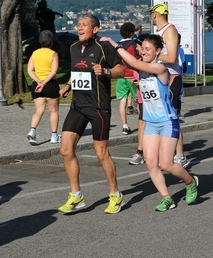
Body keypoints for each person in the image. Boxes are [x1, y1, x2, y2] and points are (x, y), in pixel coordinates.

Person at [100, 34, 199, 211]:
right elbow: (129, 65)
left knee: (167, 164)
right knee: (151, 163)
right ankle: (166, 197)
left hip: (167, 121)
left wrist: (115, 44)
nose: (143, 51)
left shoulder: (160, 68)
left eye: (148, 49)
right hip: (151, 123)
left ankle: (190, 182)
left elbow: (135, 64)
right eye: (142, 48)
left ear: (158, 51)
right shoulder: (143, 70)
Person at [57, 14, 125, 214]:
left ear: (95, 29)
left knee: (101, 153)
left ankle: (115, 195)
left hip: (98, 106)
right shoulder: (73, 48)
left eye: (84, 25)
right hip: (78, 105)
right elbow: (76, 70)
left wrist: (105, 72)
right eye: (78, 25)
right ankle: (76, 196)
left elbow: (121, 70)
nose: (80, 28)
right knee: (66, 150)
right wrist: (68, 85)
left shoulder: (104, 47)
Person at [149, 2, 190, 168]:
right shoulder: (157, 32)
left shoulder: (170, 30)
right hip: (160, 78)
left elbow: (172, 57)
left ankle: (180, 156)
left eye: (151, 14)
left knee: (172, 119)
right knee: (160, 118)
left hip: (172, 78)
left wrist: (153, 58)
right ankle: (165, 154)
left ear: (154, 14)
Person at [26, 30, 61, 146]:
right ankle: (54, 136)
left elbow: (30, 70)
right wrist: (45, 82)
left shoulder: (34, 53)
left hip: (37, 85)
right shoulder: (53, 54)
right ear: (51, 42)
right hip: (50, 84)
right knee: (54, 111)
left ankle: (32, 130)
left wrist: (38, 81)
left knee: (39, 111)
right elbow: (53, 71)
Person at [129, 34, 149, 165]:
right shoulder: (139, 60)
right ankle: (141, 152)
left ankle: (143, 152)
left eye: (138, 47)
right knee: (141, 124)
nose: (136, 49)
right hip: (141, 98)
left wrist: (140, 82)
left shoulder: (150, 62)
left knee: (150, 125)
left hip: (151, 100)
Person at [115, 22, 139, 135]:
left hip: (121, 75)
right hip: (132, 74)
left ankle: (124, 126)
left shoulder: (117, 45)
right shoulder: (134, 45)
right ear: (131, 33)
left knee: (122, 101)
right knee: (138, 100)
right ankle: (142, 123)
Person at [177, 33, 187, 118]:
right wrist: (185, 69)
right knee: (179, 92)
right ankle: (178, 112)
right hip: (178, 73)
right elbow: (182, 62)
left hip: (168, 74)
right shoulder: (180, 50)